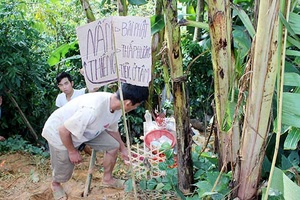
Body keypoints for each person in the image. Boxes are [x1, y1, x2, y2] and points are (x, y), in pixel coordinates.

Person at [42, 83, 149, 200]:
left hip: (87, 130)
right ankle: (55, 184)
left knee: (113, 146)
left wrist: (123, 148)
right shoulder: (92, 109)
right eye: (136, 106)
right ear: (128, 103)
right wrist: (72, 151)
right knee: (64, 169)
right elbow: (63, 130)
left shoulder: (117, 106)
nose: (135, 108)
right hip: (59, 134)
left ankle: (107, 179)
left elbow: (112, 129)